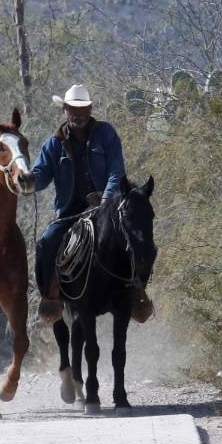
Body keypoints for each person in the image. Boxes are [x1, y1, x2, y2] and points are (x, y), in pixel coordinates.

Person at [30, 84, 151, 324]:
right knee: (46, 242)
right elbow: (42, 174)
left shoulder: (106, 134)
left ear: (90, 109)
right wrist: (29, 180)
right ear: (65, 110)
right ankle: (50, 295)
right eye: (74, 109)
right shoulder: (53, 144)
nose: (79, 115)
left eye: (83, 109)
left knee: (137, 239)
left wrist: (106, 200)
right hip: (69, 212)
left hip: (104, 208)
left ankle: (138, 292)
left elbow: (117, 171)